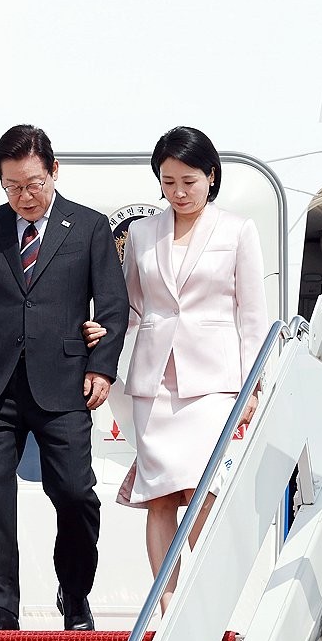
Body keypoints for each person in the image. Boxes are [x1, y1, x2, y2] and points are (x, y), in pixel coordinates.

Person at [0, 125, 129, 631]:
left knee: (75, 492)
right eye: (12, 186)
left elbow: (113, 306)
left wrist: (102, 366)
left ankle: (76, 593)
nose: (24, 196)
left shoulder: (89, 228)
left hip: (65, 383)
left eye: (33, 184)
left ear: (53, 171)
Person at [84, 126, 267, 614]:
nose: (179, 192)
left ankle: (205, 603)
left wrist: (252, 386)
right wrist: (102, 333)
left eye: (189, 181)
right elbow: (130, 305)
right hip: (154, 382)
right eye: (168, 182)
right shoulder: (143, 233)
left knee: (203, 490)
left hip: (214, 384)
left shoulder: (238, 230)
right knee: (160, 494)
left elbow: (252, 316)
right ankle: (166, 604)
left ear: (211, 176)